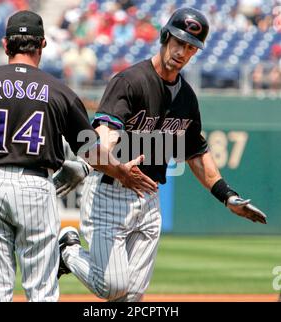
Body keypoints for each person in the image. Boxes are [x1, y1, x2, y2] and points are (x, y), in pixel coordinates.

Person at [56, 7, 267, 302]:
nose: (182, 51)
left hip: (150, 196)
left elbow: (195, 151)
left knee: (131, 298)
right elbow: (106, 131)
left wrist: (226, 195)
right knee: (112, 286)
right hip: (110, 191)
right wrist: (88, 161)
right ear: (165, 37)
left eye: (191, 47)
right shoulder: (130, 81)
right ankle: (67, 251)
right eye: (179, 42)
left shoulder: (187, 98)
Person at [0, 10, 156, 302]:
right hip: (35, 187)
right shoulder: (59, 91)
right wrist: (121, 172)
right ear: (43, 44)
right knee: (41, 290)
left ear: (5, 43)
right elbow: (91, 151)